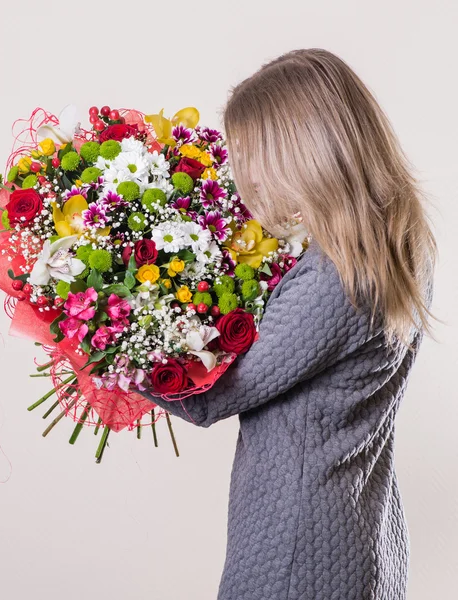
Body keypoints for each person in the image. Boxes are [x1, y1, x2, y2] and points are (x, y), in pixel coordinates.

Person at [138, 48, 438, 600]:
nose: (245, 176)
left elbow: (207, 398)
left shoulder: (338, 275)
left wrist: (97, 332)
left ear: (301, 153)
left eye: (253, 157)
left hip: (296, 550)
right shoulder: (392, 241)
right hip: (362, 531)